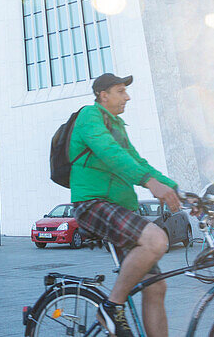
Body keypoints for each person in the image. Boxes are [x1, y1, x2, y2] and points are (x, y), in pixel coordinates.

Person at [69, 73, 180, 337]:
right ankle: (110, 307)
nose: (127, 96)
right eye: (121, 91)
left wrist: (177, 191)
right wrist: (150, 183)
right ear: (103, 95)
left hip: (118, 207)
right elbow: (110, 153)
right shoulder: (90, 116)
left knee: (155, 286)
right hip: (93, 203)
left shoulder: (117, 124)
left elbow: (138, 162)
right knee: (156, 240)